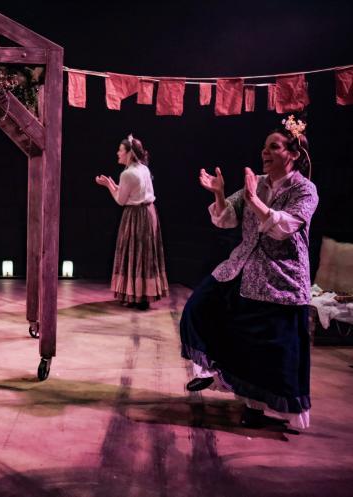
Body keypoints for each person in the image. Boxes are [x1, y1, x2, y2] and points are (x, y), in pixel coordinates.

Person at [180, 116, 317, 430]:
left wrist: (255, 199)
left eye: (274, 147)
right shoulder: (256, 181)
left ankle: (258, 408)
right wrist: (219, 193)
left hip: (283, 278)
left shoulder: (305, 190)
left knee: (272, 350)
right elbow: (227, 218)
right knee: (198, 308)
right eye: (264, 147)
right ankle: (217, 374)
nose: (265, 152)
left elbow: (284, 227)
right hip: (244, 267)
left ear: (293, 154)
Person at [96, 134, 168, 310]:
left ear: (129, 153)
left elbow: (121, 201)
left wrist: (108, 186)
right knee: (144, 253)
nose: (117, 153)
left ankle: (134, 295)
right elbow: (133, 193)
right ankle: (141, 295)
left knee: (134, 252)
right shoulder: (143, 168)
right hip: (149, 213)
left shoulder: (127, 174)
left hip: (135, 216)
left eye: (121, 150)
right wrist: (113, 185)